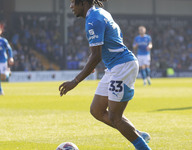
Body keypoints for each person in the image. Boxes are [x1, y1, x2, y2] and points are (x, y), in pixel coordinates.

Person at [59, 0, 151, 149]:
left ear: (82, 3)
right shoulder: (100, 13)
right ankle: (136, 134)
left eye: (73, 3)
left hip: (122, 66)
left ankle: (142, 146)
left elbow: (96, 55)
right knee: (96, 110)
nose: (70, 6)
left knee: (115, 117)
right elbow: (112, 41)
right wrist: (94, 63)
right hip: (115, 66)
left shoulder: (93, 20)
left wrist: (75, 81)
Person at [0, 26, 14, 95]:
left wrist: (11, 57)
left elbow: (9, 49)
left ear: (0, 32)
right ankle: (1, 91)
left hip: (3, 61)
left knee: (3, 78)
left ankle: (8, 72)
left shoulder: (3, 41)